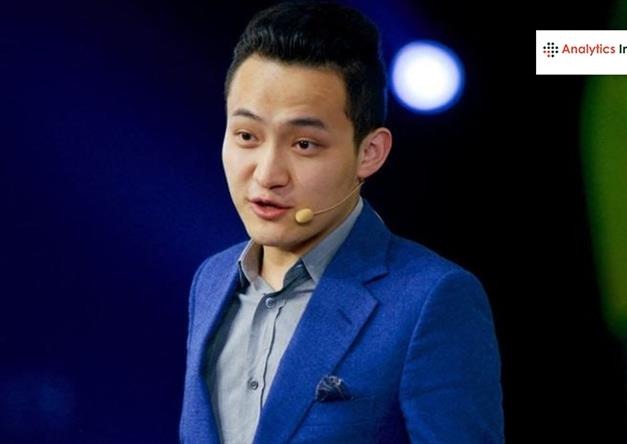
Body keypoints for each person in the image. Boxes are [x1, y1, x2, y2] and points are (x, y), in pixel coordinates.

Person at [179, 2, 503, 443]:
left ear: (370, 153)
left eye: (304, 144)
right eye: (247, 136)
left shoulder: (432, 298)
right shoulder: (212, 280)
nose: (267, 174)